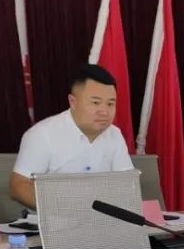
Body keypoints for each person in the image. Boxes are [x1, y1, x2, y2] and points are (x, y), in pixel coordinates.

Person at [9, 64, 133, 209]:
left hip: (101, 219)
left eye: (110, 104)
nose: (104, 111)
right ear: (73, 102)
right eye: (95, 102)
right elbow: (19, 186)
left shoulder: (114, 135)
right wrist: (62, 210)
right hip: (52, 218)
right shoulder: (42, 134)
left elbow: (127, 184)